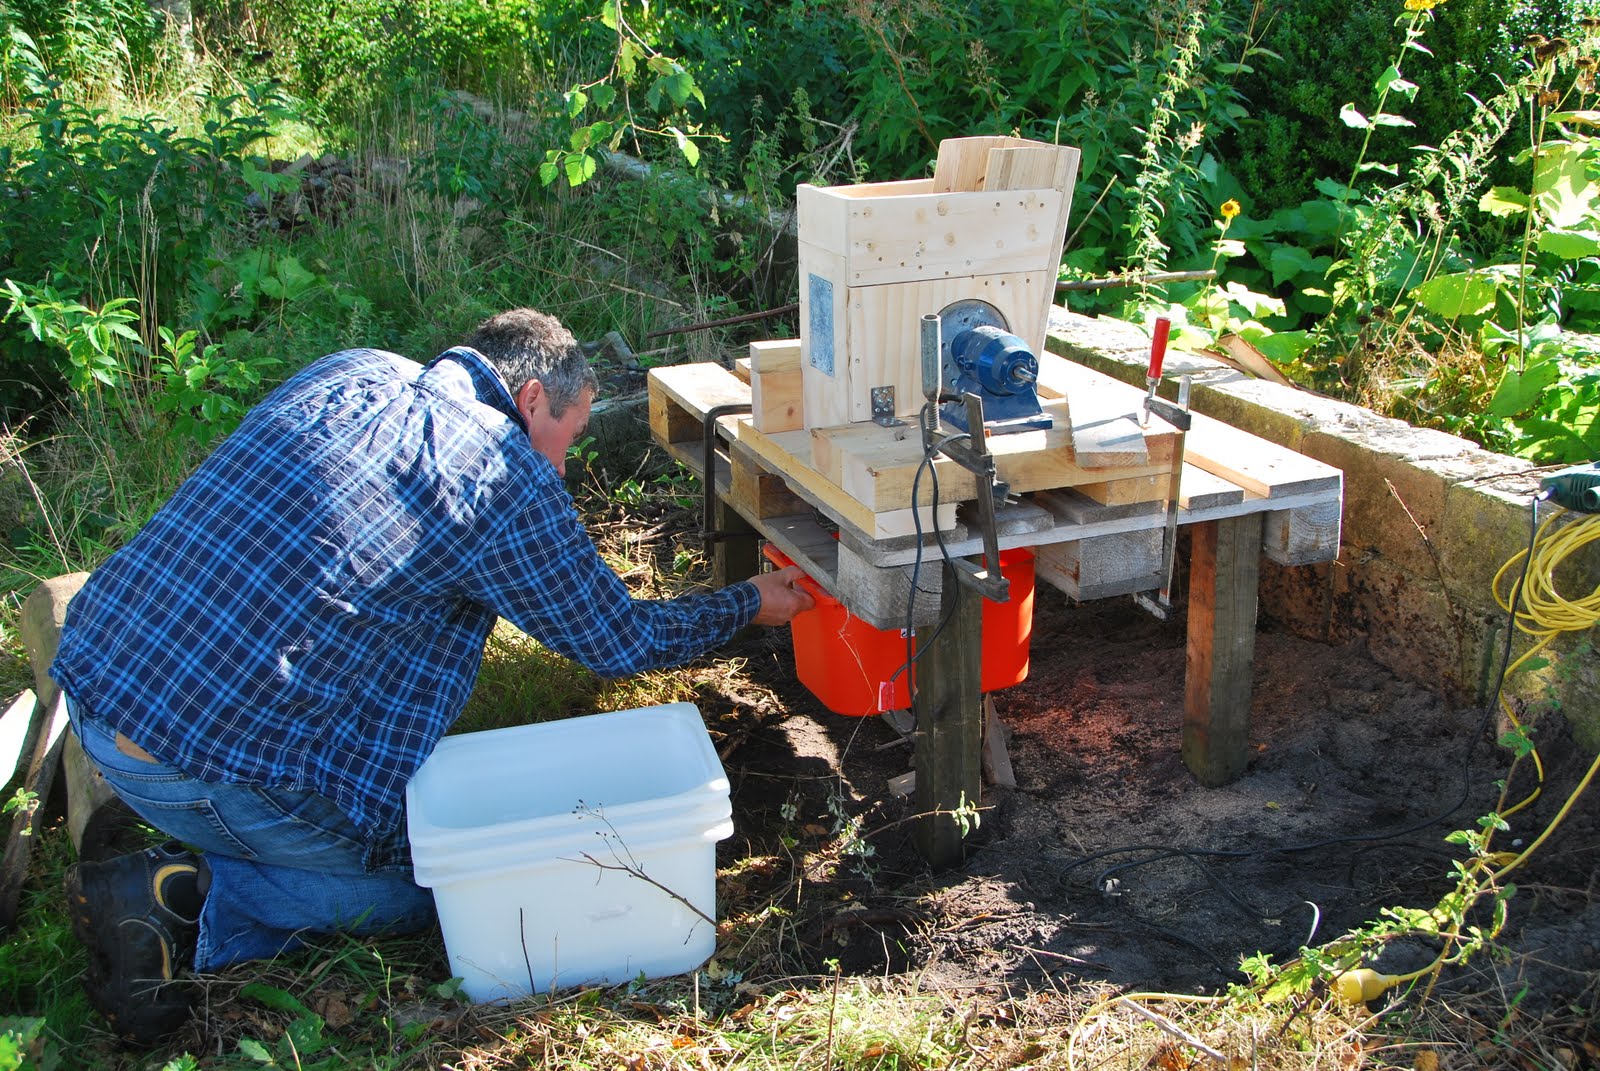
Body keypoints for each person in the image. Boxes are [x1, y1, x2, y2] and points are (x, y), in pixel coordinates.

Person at [50, 308, 814, 1044]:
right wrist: (748, 602)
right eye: (571, 436)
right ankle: (191, 893)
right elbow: (618, 639)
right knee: (444, 887)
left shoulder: (354, 370)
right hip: (192, 763)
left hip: (97, 684)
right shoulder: (501, 471)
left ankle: (200, 848)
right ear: (531, 399)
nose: (562, 466)